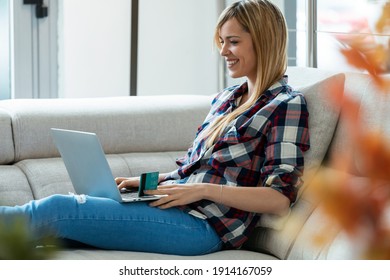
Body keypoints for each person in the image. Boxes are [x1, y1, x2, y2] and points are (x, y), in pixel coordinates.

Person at [0, 0, 310, 256]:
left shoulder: (286, 104)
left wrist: (200, 190)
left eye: (233, 42)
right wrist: (146, 182)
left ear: (263, 40)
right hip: (176, 209)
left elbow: (279, 199)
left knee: (57, 209)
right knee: (54, 230)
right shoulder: (227, 99)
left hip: (204, 227)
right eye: (221, 42)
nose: (223, 51)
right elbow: (197, 169)